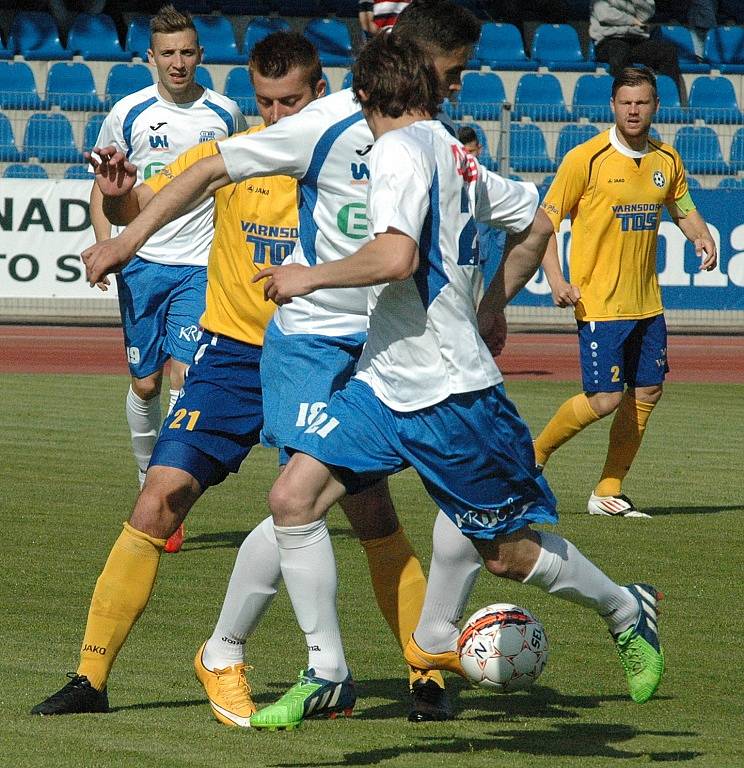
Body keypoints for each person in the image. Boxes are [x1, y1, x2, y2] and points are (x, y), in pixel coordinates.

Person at [30, 1, 487, 724]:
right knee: (158, 498)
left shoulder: (369, 148)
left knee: (370, 513)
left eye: (291, 102)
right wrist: (119, 216)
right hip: (232, 356)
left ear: (319, 91)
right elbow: (152, 197)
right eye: (265, 103)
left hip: (321, 357)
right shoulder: (242, 152)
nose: (276, 117)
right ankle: (91, 677)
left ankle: (424, 674)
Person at [250, 32, 666, 730]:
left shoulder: (395, 152)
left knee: (505, 555)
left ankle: (627, 608)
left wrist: (308, 276)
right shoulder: (453, 150)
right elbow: (533, 217)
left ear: (362, 98)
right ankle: (326, 673)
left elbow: (395, 255)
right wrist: (494, 304)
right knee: (294, 498)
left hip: (450, 395)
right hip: (385, 385)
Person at [88, 4, 245, 553]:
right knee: (145, 385)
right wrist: (111, 245)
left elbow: (236, 184)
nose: (178, 62)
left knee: (184, 376)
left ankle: (167, 493)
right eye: (168, 53)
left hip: (201, 266)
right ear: (150, 57)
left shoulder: (226, 114)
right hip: (144, 266)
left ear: (201, 55)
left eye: (187, 52)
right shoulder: (128, 113)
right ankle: (145, 476)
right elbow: (105, 190)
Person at [533, 65, 717, 518]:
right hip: (599, 301)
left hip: (647, 303)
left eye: (643, 102)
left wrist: (700, 233)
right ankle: (533, 456)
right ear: (613, 106)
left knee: (648, 391)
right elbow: (543, 224)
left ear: (655, 106)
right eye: (626, 102)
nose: (634, 110)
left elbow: (683, 206)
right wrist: (556, 280)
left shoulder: (667, 159)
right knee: (605, 399)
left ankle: (607, 490)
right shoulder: (586, 158)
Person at [590, 0, 686, 104]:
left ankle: (668, 102)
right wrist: (632, 20)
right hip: (607, 40)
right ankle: (625, 100)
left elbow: (645, 15)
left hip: (634, 40)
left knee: (667, 51)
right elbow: (605, 15)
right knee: (620, 50)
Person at [458, 124, 505, 290]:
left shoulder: (488, 184)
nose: (468, 157)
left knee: (471, 305)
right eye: (464, 153)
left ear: (480, 149)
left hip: (478, 257)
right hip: (453, 256)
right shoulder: (451, 183)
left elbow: (500, 227)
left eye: (471, 152)